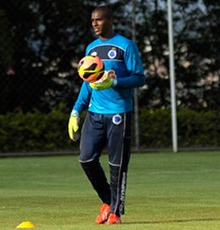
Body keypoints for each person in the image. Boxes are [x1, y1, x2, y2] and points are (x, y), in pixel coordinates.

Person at [68, 5, 145, 224]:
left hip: (119, 113)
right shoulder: (91, 49)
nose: (94, 24)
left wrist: (115, 81)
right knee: (86, 159)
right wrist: (76, 111)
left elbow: (139, 78)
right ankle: (108, 201)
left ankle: (115, 213)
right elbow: (87, 84)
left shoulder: (126, 46)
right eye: (92, 20)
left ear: (110, 20)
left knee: (117, 165)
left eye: (99, 20)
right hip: (94, 114)